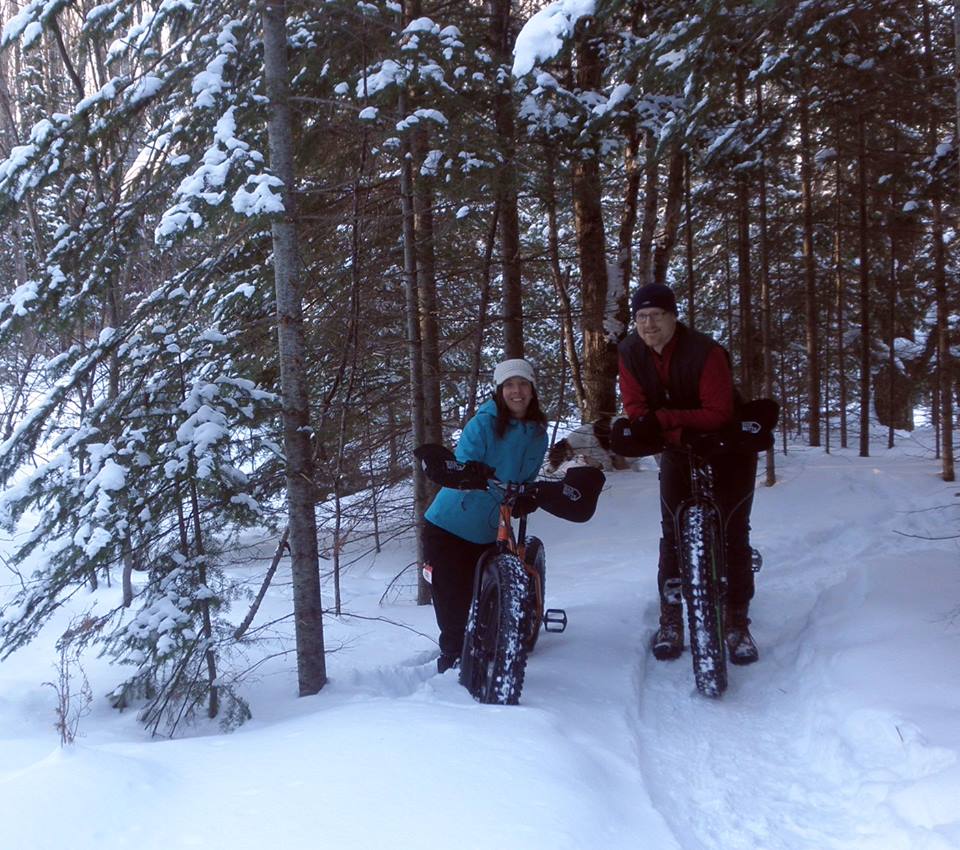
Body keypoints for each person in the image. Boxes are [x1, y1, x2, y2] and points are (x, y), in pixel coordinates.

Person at [616, 283, 760, 665]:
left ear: (673, 317)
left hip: (728, 447)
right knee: (674, 532)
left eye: (656, 316)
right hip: (679, 448)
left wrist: (663, 420)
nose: (648, 324)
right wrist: (669, 429)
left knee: (732, 530)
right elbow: (635, 410)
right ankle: (671, 620)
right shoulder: (630, 352)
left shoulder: (706, 352)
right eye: (641, 317)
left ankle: (736, 621)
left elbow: (718, 414)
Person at [422, 358, 549, 673]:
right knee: (453, 596)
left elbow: (528, 476)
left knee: (489, 595)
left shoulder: (538, 435)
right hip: (450, 523)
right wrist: (473, 470)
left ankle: (494, 645)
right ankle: (451, 657)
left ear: (532, 389)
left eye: (522, 384)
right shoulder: (483, 423)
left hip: (492, 527)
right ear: (499, 390)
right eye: (509, 385)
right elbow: (463, 462)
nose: (516, 391)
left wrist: (525, 496)